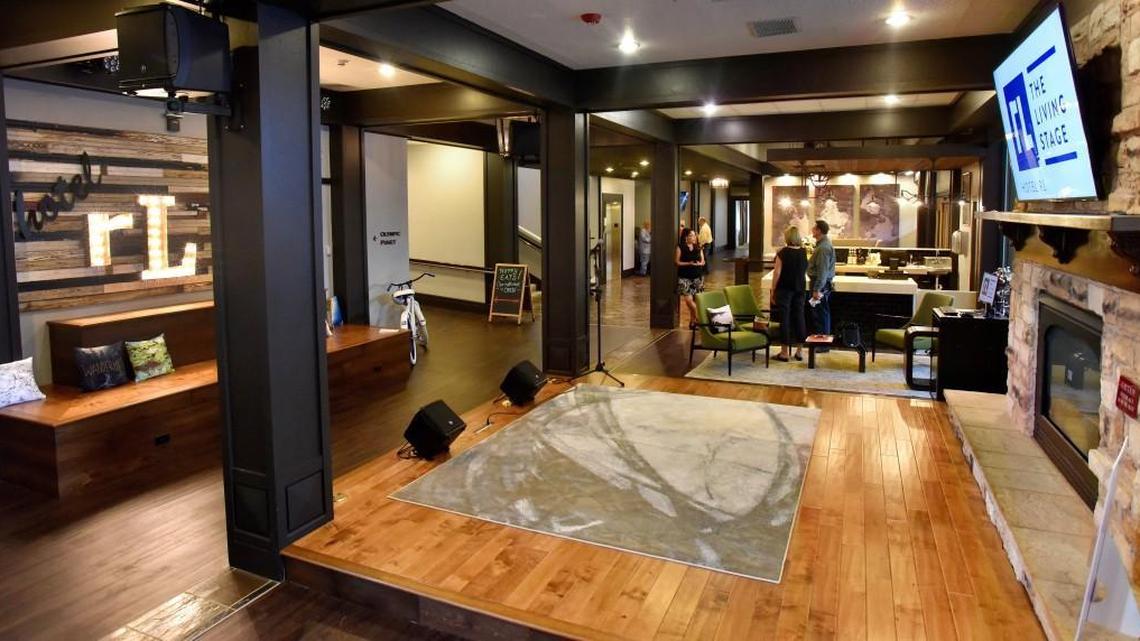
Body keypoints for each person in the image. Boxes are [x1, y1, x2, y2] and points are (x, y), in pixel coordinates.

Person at [770, 226, 807, 362]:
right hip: (800, 288)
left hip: (784, 289)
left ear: (787, 237)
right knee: (800, 317)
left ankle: (784, 352)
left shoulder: (783, 252)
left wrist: (773, 289)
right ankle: (799, 351)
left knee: (784, 318)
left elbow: (777, 272)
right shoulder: (803, 252)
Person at [807, 219, 836, 346]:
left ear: (819, 230)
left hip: (820, 285)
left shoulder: (823, 248)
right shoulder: (822, 245)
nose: (812, 230)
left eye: (814, 228)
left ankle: (823, 344)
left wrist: (817, 289)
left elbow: (823, 272)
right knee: (819, 313)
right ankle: (820, 342)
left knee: (820, 315)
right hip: (820, 284)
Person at [675, 228, 705, 328]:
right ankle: (698, 317)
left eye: (694, 235)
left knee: (696, 299)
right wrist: (689, 263)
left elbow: (703, 261)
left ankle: (692, 322)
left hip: (697, 277)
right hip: (684, 277)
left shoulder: (698, 247)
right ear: (686, 237)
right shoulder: (680, 247)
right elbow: (677, 262)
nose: (694, 237)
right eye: (691, 235)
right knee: (688, 300)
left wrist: (699, 264)